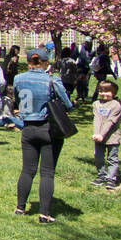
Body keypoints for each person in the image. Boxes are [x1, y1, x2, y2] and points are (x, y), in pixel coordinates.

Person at [12, 48, 74, 223]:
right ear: (46, 63)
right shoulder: (52, 80)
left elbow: (17, 98)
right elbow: (67, 104)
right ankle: (44, 213)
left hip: (28, 128)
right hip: (48, 129)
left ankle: (20, 207)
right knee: (47, 173)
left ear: (29, 62)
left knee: (27, 170)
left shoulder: (18, 79)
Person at [91, 80, 121, 188]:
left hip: (112, 137)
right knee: (98, 157)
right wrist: (96, 134)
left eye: (107, 91)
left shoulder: (116, 106)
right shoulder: (96, 104)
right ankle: (101, 176)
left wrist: (102, 135)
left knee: (112, 158)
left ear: (114, 93)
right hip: (99, 137)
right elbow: (97, 119)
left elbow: (110, 121)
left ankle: (111, 179)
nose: (103, 94)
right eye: (101, 91)